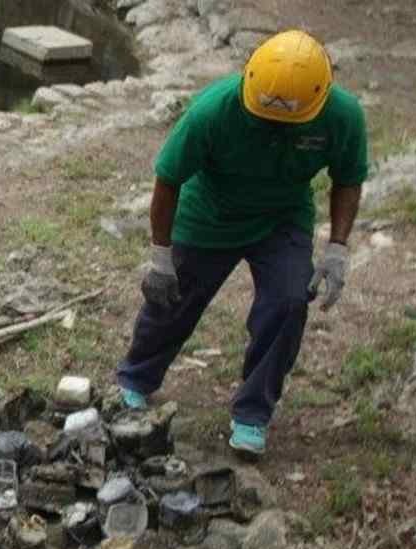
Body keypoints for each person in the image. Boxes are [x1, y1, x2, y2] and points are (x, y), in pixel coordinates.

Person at [115, 29, 369, 458]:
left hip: (282, 217)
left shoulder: (343, 116)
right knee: (173, 297)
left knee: (289, 302)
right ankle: (136, 379)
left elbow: (348, 177)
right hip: (210, 212)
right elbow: (169, 178)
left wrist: (337, 248)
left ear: (321, 97)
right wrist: (161, 256)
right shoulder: (213, 110)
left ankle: (253, 413)